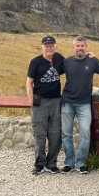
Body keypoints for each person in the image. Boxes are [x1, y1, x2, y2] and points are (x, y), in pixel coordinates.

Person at [61, 35, 99, 174]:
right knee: (66, 133)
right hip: (67, 103)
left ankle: (81, 163)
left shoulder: (92, 60)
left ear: (86, 47)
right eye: (77, 46)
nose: (80, 48)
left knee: (85, 132)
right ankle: (68, 163)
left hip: (84, 104)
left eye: (82, 46)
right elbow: (53, 69)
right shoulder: (66, 61)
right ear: (73, 47)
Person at [26, 36, 64, 175]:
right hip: (40, 101)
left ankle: (52, 163)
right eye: (46, 45)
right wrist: (32, 100)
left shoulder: (59, 58)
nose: (49, 48)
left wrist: (89, 56)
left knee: (55, 135)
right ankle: (39, 164)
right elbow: (29, 82)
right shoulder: (35, 62)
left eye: (51, 45)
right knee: (40, 134)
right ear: (42, 47)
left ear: (56, 46)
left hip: (56, 101)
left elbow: (73, 64)